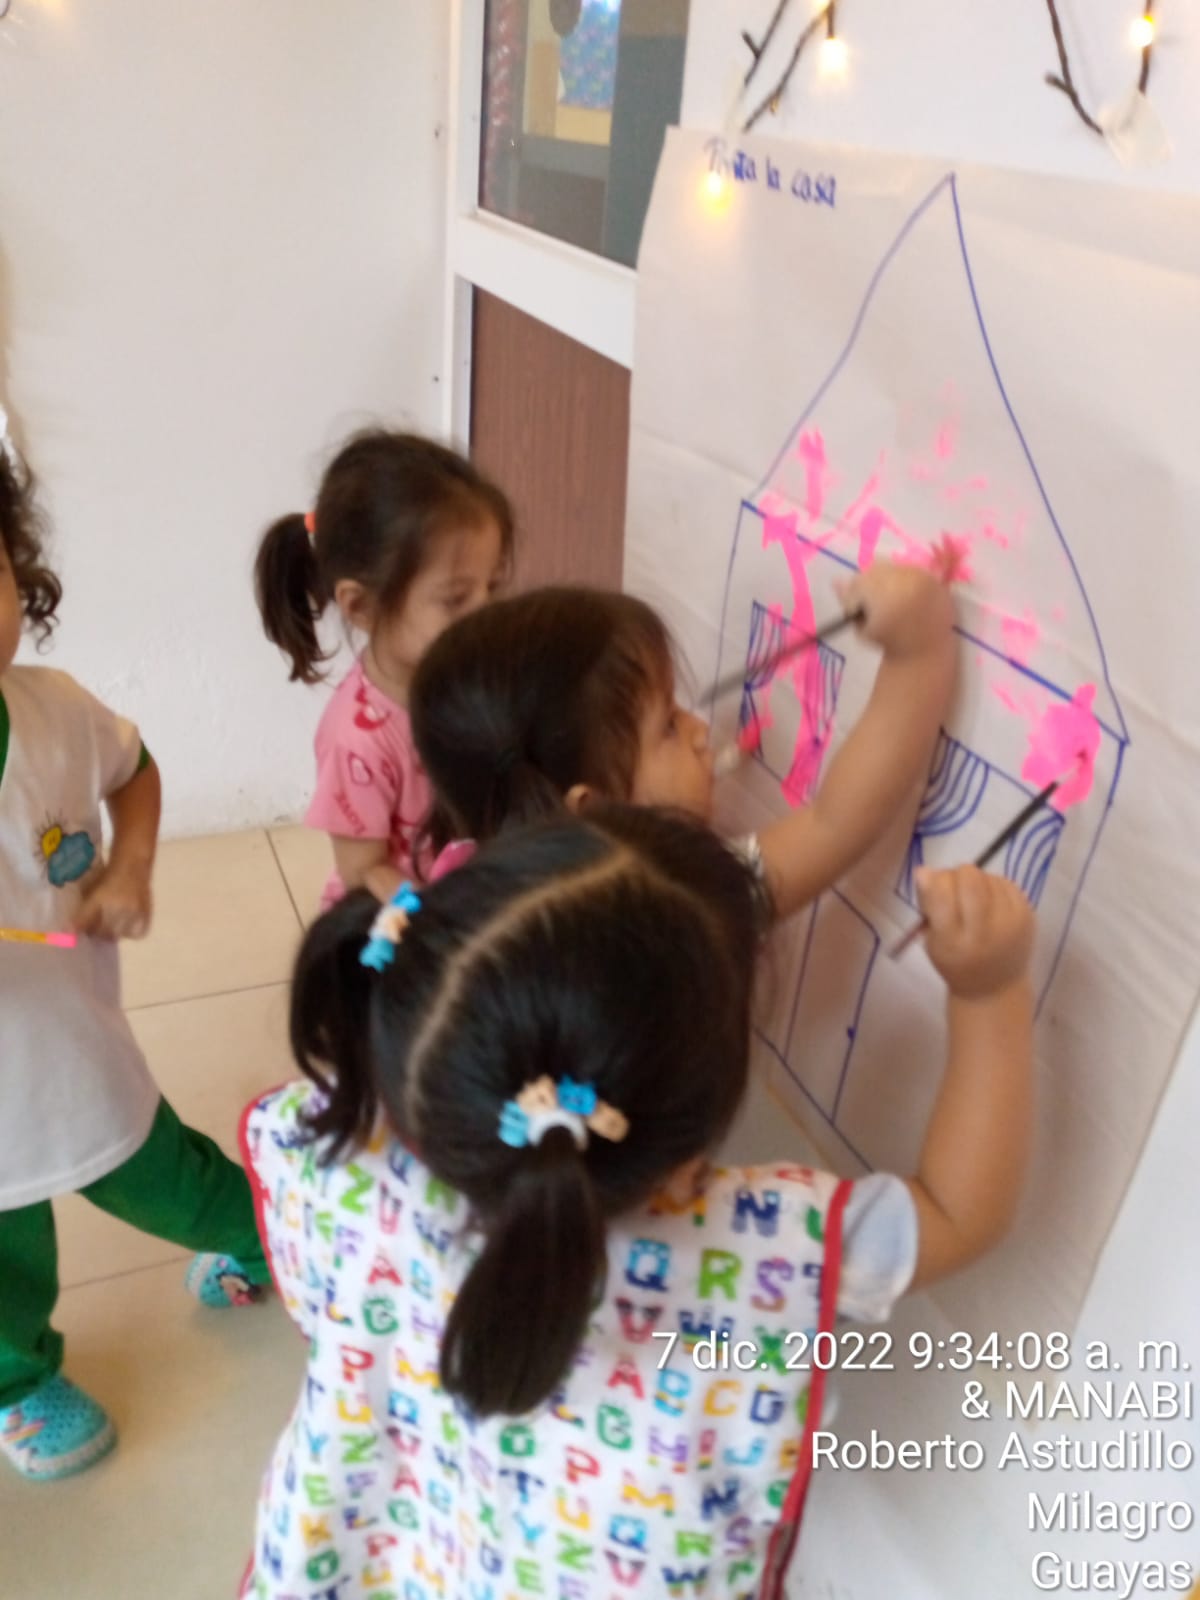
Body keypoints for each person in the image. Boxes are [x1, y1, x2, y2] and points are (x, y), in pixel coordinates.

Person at [240, 804, 1034, 1599]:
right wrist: (989, 995)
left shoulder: (341, 1152)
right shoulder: (765, 1254)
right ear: (691, 1142)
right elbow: (958, 1212)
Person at [0, 414, 269, 1482]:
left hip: (73, 1053)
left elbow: (135, 770)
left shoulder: (56, 712)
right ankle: (20, 1383)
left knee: (171, 1179)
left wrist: (131, 866)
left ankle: (277, 1236)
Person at [409, 571, 954, 921]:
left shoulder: (473, 883)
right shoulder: (670, 912)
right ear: (593, 808)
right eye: (668, 724)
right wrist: (918, 652)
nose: (699, 729)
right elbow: (834, 825)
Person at [254, 430, 514, 906]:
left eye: (493, 588)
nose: (485, 614)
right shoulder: (358, 741)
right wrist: (437, 922)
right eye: (455, 599)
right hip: (394, 921)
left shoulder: (478, 681)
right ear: (362, 607)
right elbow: (363, 872)